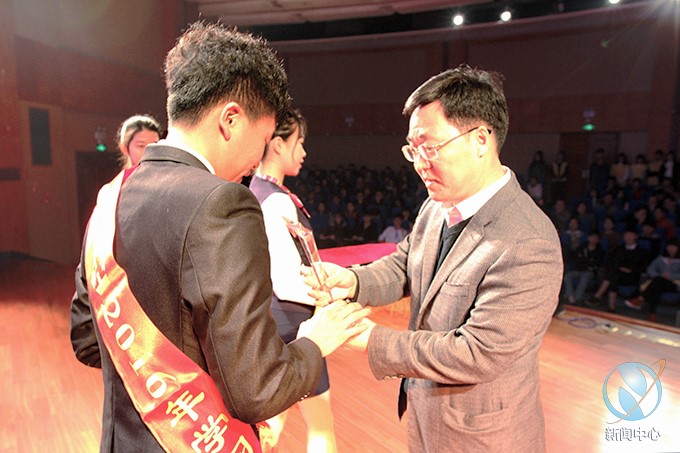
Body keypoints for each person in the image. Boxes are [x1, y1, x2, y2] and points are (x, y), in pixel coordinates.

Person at [69, 22, 369, 452]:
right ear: (230, 119)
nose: (255, 161)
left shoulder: (111, 197)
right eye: (262, 139)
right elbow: (256, 391)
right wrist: (315, 341)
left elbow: (86, 339)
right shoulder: (223, 204)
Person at [305, 66, 563, 452]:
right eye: (413, 149)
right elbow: (405, 265)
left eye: (430, 147)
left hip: (483, 437)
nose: (419, 163)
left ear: (480, 140)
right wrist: (353, 281)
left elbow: (476, 353)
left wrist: (372, 339)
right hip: (427, 413)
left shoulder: (527, 241)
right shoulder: (436, 206)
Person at [249, 109, 338, 453]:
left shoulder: (258, 191)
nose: (303, 151)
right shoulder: (276, 200)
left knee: (280, 427)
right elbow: (286, 281)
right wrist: (328, 300)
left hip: (284, 326)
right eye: (299, 142)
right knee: (314, 427)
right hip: (294, 327)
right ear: (277, 144)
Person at [625, 239, 680, 322]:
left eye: (674, 247)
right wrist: (658, 275)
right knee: (657, 286)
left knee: (657, 283)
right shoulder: (660, 258)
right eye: (669, 246)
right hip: (659, 282)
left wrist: (670, 276)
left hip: (674, 284)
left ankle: (641, 299)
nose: (671, 248)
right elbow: (650, 269)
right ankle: (652, 314)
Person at [562, 231, 605, 305]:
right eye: (592, 237)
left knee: (585, 278)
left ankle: (576, 298)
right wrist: (587, 260)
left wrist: (584, 259)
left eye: (595, 238)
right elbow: (576, 258)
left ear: (598, 240)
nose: (593, 239)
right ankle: (571, 296)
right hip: (578, 269)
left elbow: (596, 263)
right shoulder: (582, 247)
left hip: (590, 271)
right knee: (567, 276)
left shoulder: (600, 250)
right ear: (588, 238)